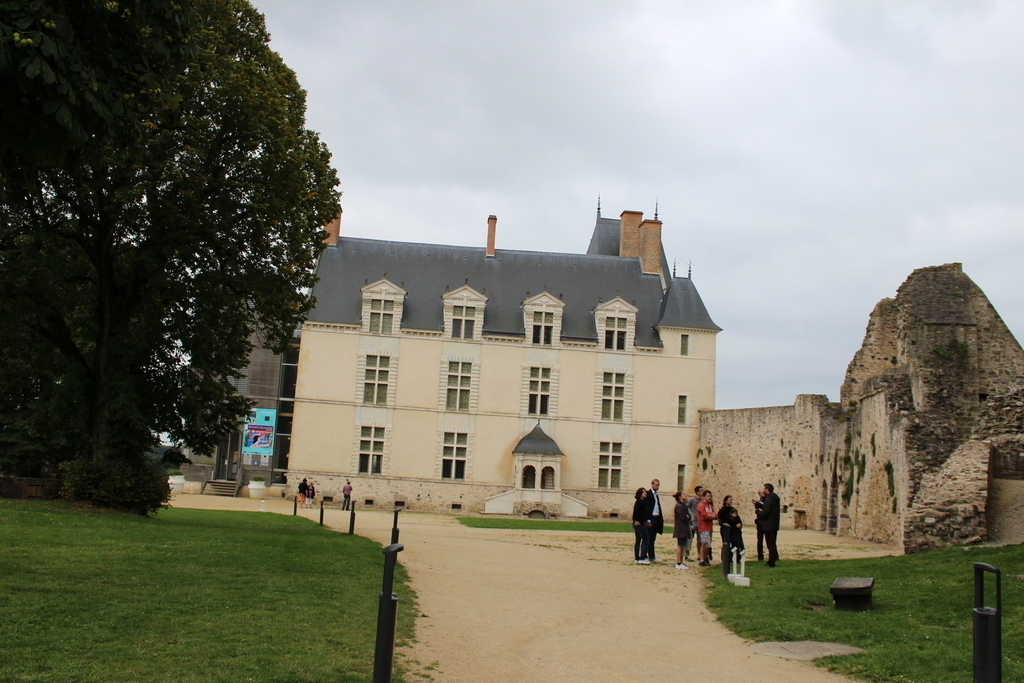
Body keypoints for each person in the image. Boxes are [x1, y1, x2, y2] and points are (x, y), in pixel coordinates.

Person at [756, 483, 781, 567]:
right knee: (772, 544)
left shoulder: (769, 499)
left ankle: (771, 562)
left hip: (768, 525)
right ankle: (772, 560)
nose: (763, 490)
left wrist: (758, 511)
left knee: (770, 544)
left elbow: (765, 513)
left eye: (764, 489)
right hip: (774, 524)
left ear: (767, 489)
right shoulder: (774, 499)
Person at [696, 489, 717, 567]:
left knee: (707, 543)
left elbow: (716, 514)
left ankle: (703, 558)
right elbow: (704, 515)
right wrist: (711, 516)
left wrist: (712, 516)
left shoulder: (710, 506)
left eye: (710, 496)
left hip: (709, 527)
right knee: (705, 543)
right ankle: (704, 558)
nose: (709, 497)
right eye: (708, 496)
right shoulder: (701, 505)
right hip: (703, 526)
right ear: (704, 497)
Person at [671, 491, 691, 569]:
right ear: (679, 497)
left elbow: (689, 515)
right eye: (683, 494)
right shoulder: (679, 506)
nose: (685, 495)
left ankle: (681, 562)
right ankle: (679, 563)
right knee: (680, 545)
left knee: (682, 545)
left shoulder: (683, 505)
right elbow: (684, 518)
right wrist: (688, 517)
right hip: (681, 528)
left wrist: (688, 516)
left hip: (684, 528)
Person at [645, 479, 664, 562]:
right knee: (648, 538)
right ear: (652, 485)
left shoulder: (656, 495)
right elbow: (647, 508)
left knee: (653, 538)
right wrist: (648, 520)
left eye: (658, 485)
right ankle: (645, 554)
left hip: (656, 518)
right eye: (656, 485)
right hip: (651, 518)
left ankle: (652, 556)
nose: (657, 487)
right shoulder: (648, 494)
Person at [631, 488, 651, 564]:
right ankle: (642, 558)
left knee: (638, 540)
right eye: (643, 492)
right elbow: (636, 512)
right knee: (646, 540)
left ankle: (637, 558)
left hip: (639, 523)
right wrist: (636, 520)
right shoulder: (640, 502)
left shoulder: (641, 502)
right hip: (640, 524)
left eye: (645, 492)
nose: (645, 493)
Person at [686, 486, 703, 563]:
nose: (703, 492)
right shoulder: (692, 500)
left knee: (700, 540)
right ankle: (687, 554)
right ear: (697, 492)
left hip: (700, 523)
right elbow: (687, 507)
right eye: (701, 490)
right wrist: (690, 516)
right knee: (690, 539)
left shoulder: (703, 501)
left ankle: (699, 555)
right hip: (693, 522)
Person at [753, 487, 766, 562]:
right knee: (760, 540)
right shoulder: (758, 502)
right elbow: (759, 511)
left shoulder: (767, 501)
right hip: (760, 523)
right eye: (762, 493)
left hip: (766, 522)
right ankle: (760, 556)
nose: (763, 494)